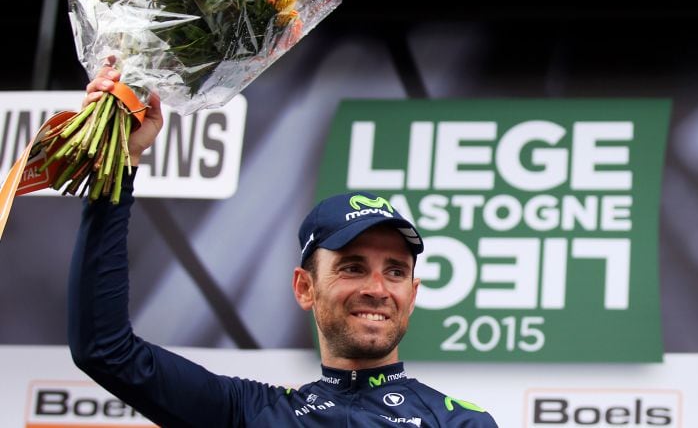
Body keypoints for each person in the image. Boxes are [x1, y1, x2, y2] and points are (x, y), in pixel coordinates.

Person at [68, 64, 499, 427]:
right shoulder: (252, 413)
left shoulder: (461, 423)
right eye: (352, 267)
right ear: (304, 287)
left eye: (395, 271)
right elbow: (104, 350)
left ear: (413, 293)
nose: (377, 288)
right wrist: (120, 161)